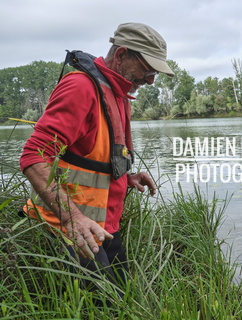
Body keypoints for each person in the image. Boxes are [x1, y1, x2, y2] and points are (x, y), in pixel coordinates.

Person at [20, 22, 174, 288]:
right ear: (122, 54)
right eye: (147, 69)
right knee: (100, 306)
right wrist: (73, 218)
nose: (150, 79)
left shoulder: (119, 93)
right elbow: (33, 156)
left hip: (105, 226)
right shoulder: (81, 87)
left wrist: (127, 178)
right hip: (71, 228)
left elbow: (89, 159)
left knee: (123, 298)